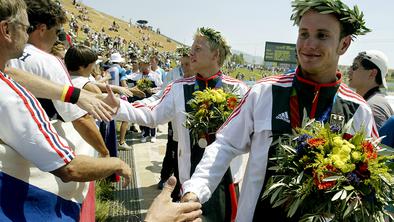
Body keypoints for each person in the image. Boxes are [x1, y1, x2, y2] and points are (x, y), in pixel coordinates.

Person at [181, 1, 379, 221]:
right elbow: (224, 144)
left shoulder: (359, 110)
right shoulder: (264, 92)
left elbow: (373, 179)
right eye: (304, 34)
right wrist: (195, 190)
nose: (309, 44)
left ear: (344, 44)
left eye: (322, 35)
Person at [0, 0, 131, 220]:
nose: (27, 34)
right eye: (24, 27)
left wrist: (76, 94)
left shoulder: (10, 73)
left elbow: (11, 73)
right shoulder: (13, 94)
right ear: (6, 30)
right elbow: (69, 168)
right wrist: (111, 160)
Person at [112, 27, 249, 221]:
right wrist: (116, 107)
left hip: (226, 180)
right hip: (190, 176)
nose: (191, 52)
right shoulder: (179, 87)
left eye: (198, 48)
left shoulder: (238, 89)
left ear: (215, 55)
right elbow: (152, 115)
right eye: (192, 47)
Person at [8, 0, 110, 157]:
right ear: (42, 29)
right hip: (37, 157)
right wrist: (105, 153)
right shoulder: (49, 61)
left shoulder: (5, 55)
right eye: (56, 32)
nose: (57, 39)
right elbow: (80, 119)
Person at [348, 50, 394, 129]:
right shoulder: (374, 101)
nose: (349, 71)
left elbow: (377, 141)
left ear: (373, 73)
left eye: (355, 67)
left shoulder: (372, 107)